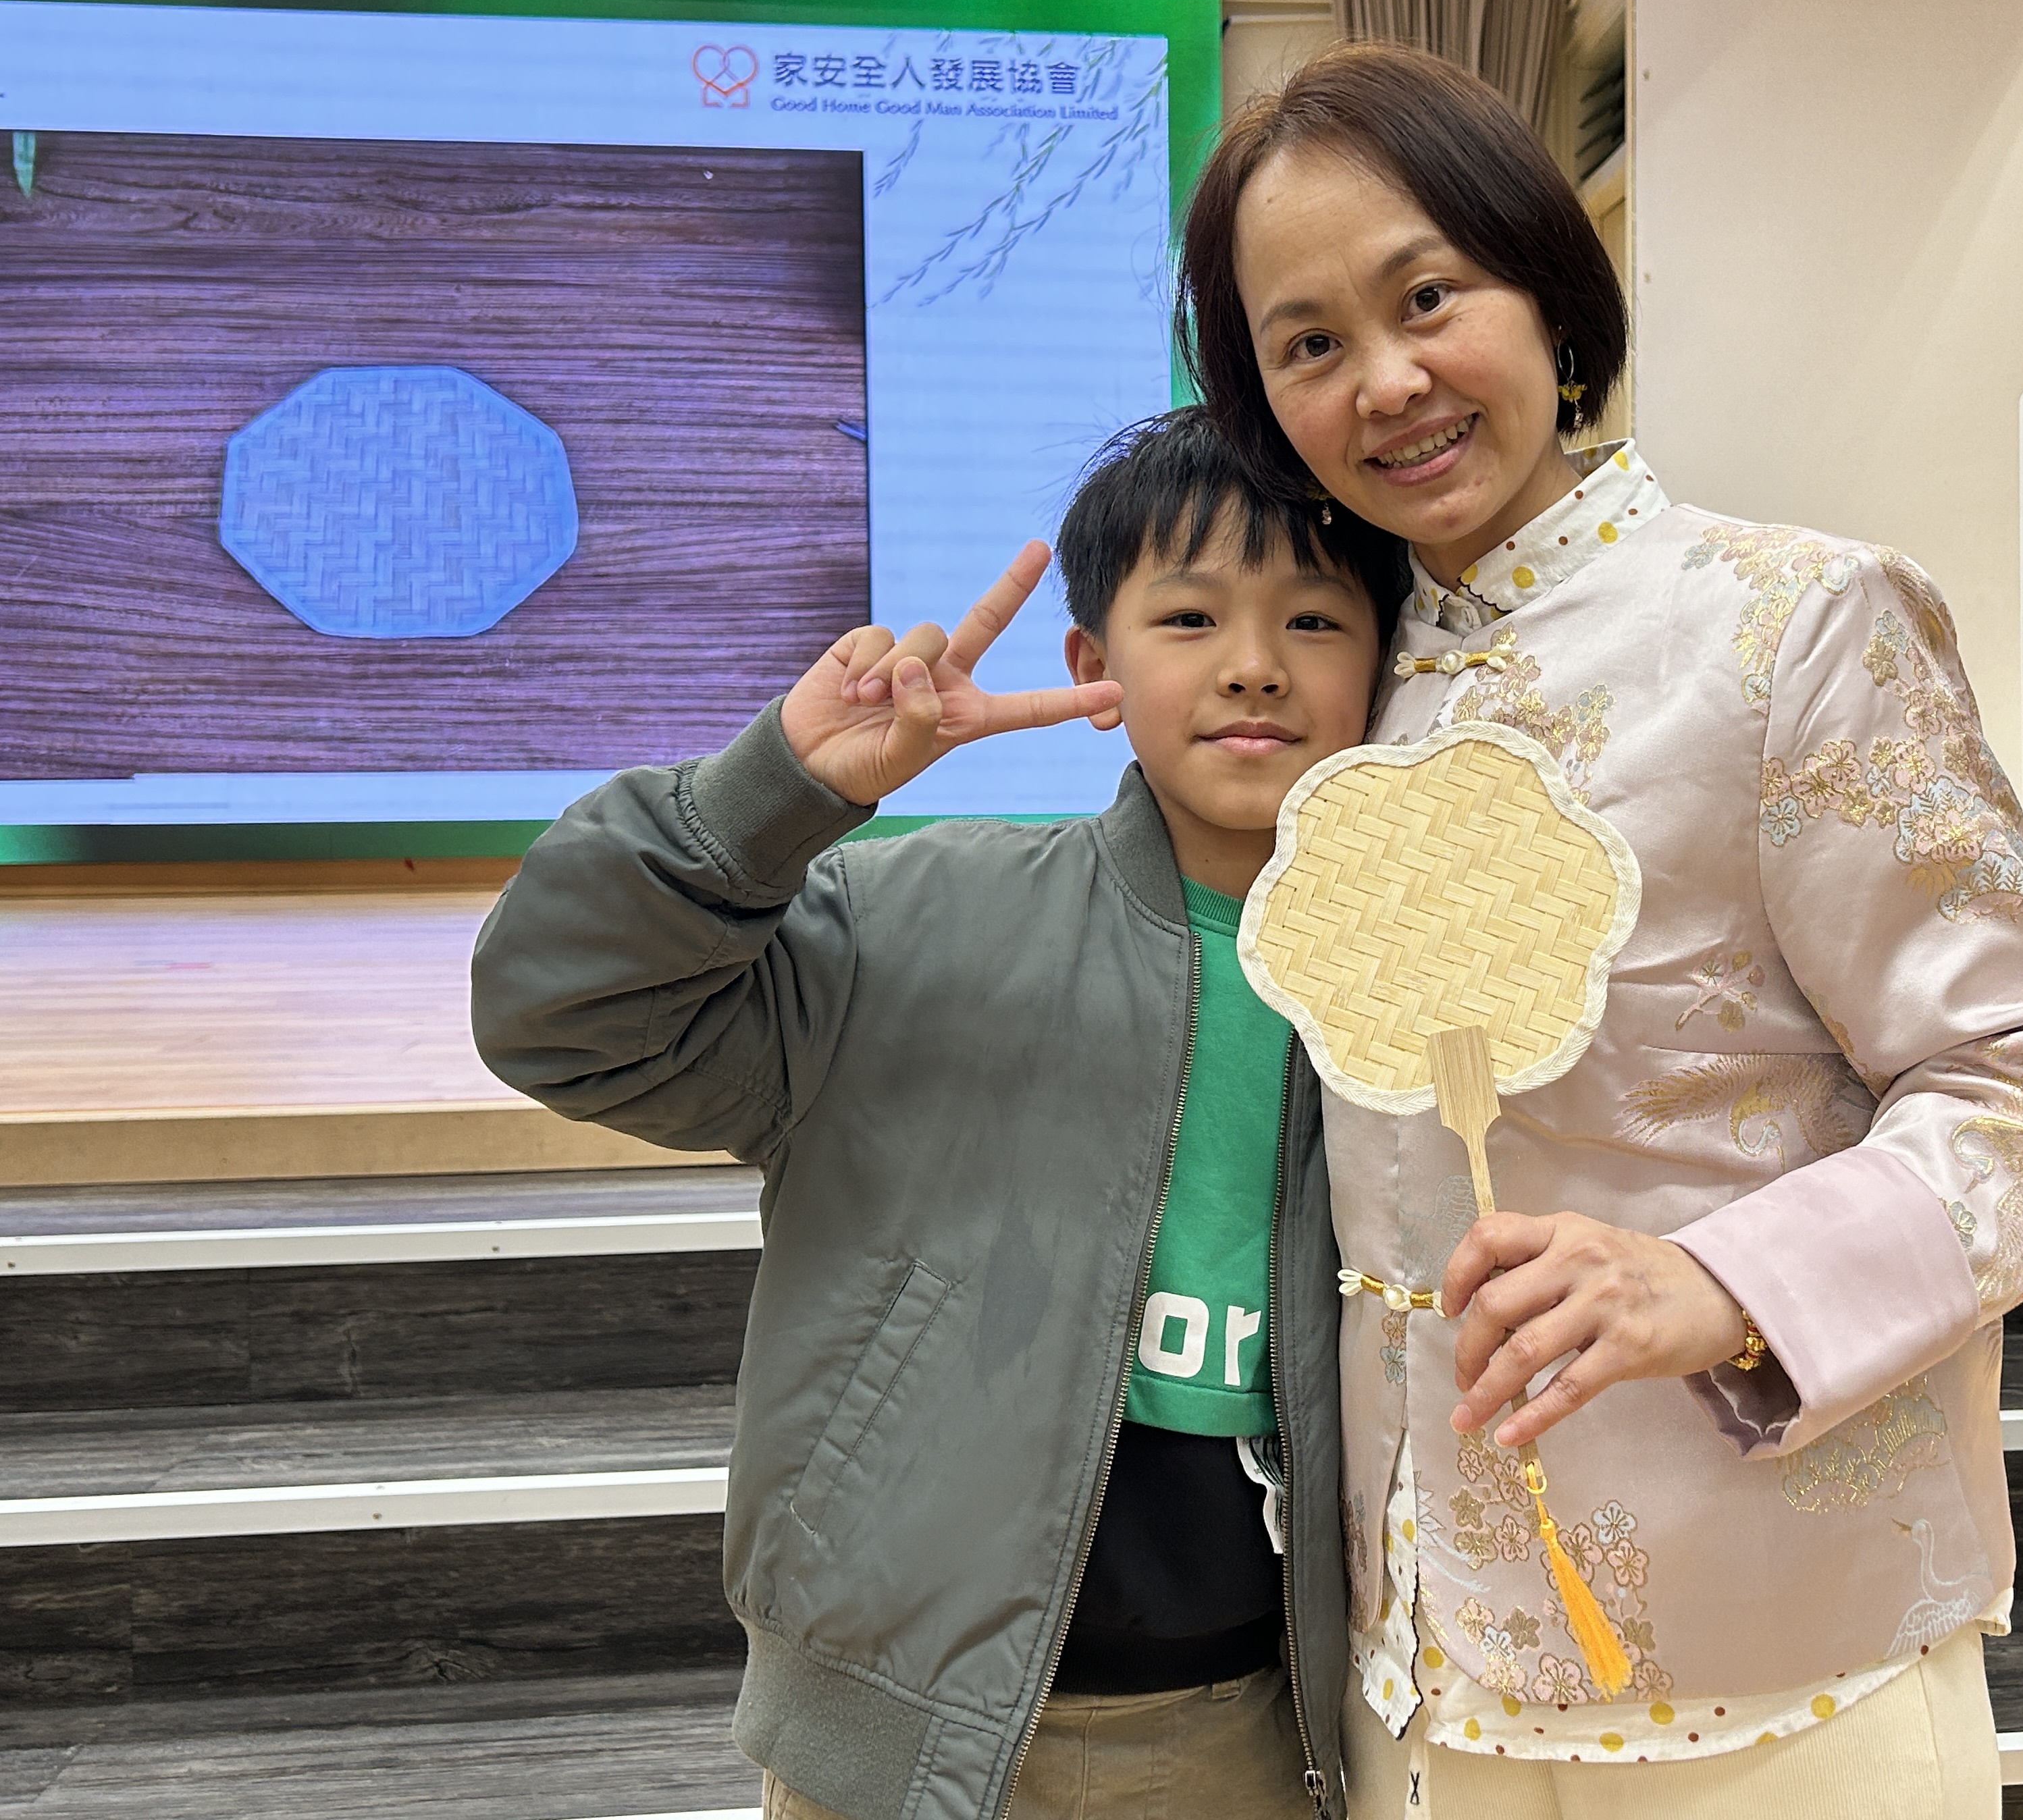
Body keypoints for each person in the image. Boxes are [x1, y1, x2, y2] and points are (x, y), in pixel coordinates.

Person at [1176, 43, 2023, 1818]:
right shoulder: (1338, 681)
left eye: (1426, 297)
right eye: (1307, 343)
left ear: (1548, 292)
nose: (1385, 380)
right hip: (1417, 1676)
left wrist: (1721, 1285)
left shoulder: (1792, 628)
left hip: (1775, 1664)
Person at [471, 410, 1412, 1820]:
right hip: (898, 1752)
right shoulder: (912, 923)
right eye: (1190, 616)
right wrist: (772, 797)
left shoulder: (1418, 992)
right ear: (1092, 665)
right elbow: (560, 1016)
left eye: (1316, 620)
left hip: (1258, 1738)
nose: (1254, 665)